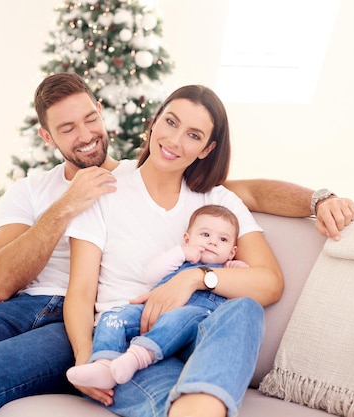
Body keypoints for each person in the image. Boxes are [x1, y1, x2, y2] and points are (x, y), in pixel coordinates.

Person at [0, 73, 354, 417]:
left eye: (89, 119)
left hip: (132, 324)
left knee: (242, 311)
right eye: (66, 128)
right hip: (60, 313)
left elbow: (247, 196)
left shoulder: (200, 193)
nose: (84, 135)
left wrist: (319, 198)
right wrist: (70, 203)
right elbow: (10, 279)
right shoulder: (76, 188)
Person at [63, 84, 284, 417]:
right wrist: (85, 357)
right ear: (154, 122)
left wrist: (194, 278)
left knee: (245, 311)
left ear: (207, 149)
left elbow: (269, 283)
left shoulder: (219, 200)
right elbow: (80, 291)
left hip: (199, 336)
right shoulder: (104, 193)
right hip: (130, 344)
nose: (175, 140)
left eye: (194, 135)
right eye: (171, 122)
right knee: (180, 405)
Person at [66, 204, 249, 389]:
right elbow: (150, 275)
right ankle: (103, 364)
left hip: (192, 322)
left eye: (223, 239)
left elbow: (244, 296)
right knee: (113, 316)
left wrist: (240, 270)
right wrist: (181, 252)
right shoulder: (181, 259)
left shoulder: (229, 270)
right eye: (205, 235)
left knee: (179, 317)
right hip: (152, 310)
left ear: (232, 252)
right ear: (187, 238)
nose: (213, 242)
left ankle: (136, 358)